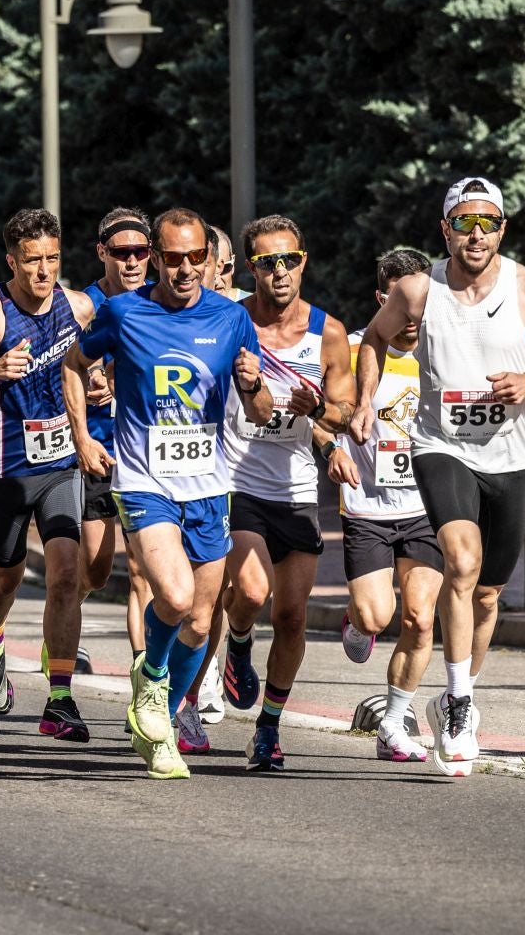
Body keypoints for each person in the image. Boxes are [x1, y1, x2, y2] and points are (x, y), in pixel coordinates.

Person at [351, 177, 525, 777]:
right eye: (463, 222)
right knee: (460, 561)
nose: (475, 235)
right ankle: (458, 703)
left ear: (502, 230)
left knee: (487, 594)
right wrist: (366, 400)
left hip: (508, 454)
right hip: (440, 445)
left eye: (488, 223)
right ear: (444, 229)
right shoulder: (417, 289)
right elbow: (373, 339)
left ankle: (457, 692)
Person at [65, 207, 283, 780]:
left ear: (210, 261)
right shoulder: (124, 312)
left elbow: (259, 412)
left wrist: (255, 385)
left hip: (210, 488)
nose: (185, 270)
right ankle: (153, 681)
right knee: (178, 596)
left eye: (196, 259)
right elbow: (72, 363)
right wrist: (83, 436)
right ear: (156, 259)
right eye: (173, 259)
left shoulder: (231, 319)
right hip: (143, 480)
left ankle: (159, 713)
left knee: (202, 620)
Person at [0, 208, 99, 742]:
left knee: (66, 576)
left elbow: (88, 364)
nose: (43, 270)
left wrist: (99, 388)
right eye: (32, 261)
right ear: (12, 261)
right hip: (6, 467)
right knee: (5, 576)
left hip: (59, 464)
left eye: (52, 258)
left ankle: (59, 699)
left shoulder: (77, 306)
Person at [216, 216, 343, 772]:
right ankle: (238, 642)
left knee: (291, 618)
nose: (280, 272)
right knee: (249, 588)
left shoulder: (328, 333)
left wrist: (315, 409)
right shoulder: (230, 322)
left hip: (296, 489)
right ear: (252, 269)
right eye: (267, 263)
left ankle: (267, 728)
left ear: (303, 261)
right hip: (238, 480)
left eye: (289, 260)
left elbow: (342, 413)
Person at [330, 248, 444, 763]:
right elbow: (316, 409)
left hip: (425, 506)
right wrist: (332, 447)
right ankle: (357, 621)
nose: (415, 319)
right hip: (368, 509)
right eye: (404, 306)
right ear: (384, 300)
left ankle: (394, 723)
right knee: (378, 616)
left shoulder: (442, 352)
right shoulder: (354, 350)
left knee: (421, 619)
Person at [80, 209, 150, 660]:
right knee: (96, 570)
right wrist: (86, 381)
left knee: (143, 572)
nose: (131, 262)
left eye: (140, 252)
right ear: (102, 252)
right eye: (121, 253)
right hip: (94, 451)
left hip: (145, 454)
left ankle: (148, 685)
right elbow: (59, 370)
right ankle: (62, 617)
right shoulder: (82, 305)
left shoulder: (160, 303)